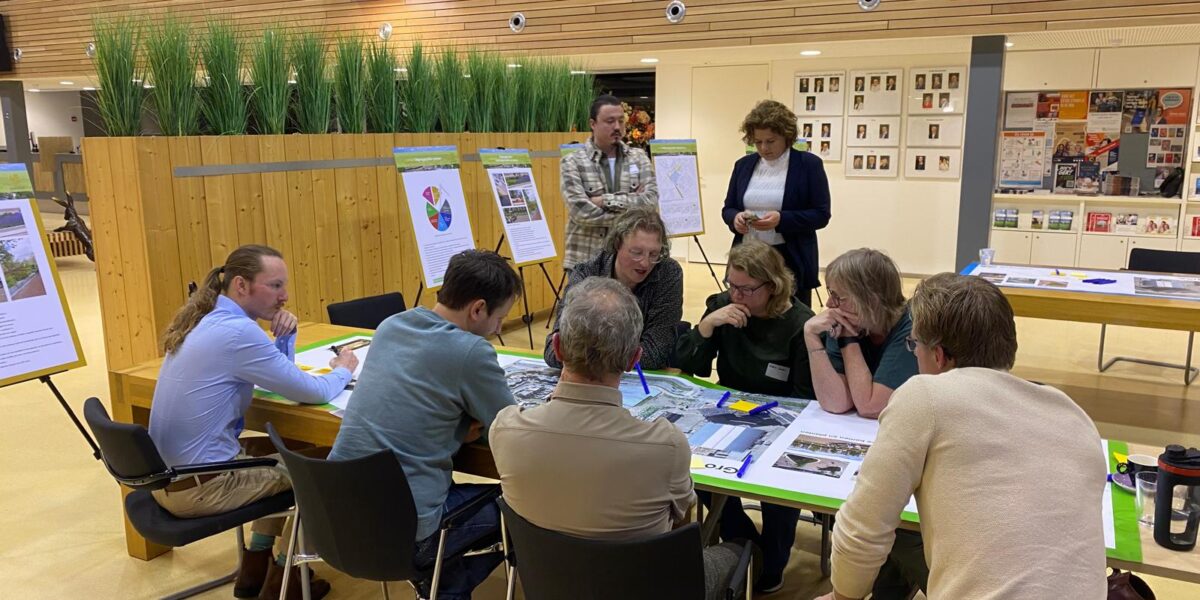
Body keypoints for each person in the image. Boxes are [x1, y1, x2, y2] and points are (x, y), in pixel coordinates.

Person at [815, 274, 1106, 600]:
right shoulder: (1072, 413)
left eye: (914, 346)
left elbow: (862, 530)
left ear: (938, 355)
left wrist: (842, 596)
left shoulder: (925, 395)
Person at [493, 278, 748, 600]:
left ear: (557, 348)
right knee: (740, 550)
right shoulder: (666, 446)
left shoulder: (505, 429)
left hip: (550, 582)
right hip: (642, 587)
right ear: (633, 359)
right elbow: (682, 520)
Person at [149, 244, 359, 600]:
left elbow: (271, 378)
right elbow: (313, 391)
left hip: (169, 479)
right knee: (329, 470)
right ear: (241, 286)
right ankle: (284, 576)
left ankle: (256, 562)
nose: (285, 296)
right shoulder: (238, 333)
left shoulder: (207, 318)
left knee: (294, 447)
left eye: (284, 286)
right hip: (203, 488)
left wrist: (285, 339)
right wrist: (343, 369)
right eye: (275, 286)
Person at [331, 249, 522, 600]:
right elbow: (512, 429)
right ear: (477, 309)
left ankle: (438, 586)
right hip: (406, 533)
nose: (498, 328)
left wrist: (451, 429)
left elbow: (410, 405)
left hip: (336, 517)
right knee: (520, 505)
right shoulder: (471, 352)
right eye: (500, 318)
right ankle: (441, 588)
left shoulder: (391, 325)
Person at [674, 239, 815, 593]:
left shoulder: (799, 323)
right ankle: (746, 543)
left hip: (782, 416)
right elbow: (691, 367)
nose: (737, 295)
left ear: (772, 286)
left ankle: (773, 560)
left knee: (781, 484)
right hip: (727, 409)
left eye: (747, 289)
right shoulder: (723, 307)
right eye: (731, 285)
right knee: (689, 465)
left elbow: (804, 398)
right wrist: (708, 326)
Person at [804, 248, 928, 599]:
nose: (829, 303)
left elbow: (871, 404)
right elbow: (836, 402)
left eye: (838, 295)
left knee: (887, 525)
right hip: (875, 445)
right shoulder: (844, 320)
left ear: (869, 299)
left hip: (915, 453)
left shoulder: (910, 325)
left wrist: (848, 342)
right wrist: (812, 339)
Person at [544, 206, 682, 370]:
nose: (645, 263)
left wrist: (589, 352)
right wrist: (620, 358)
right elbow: (555, 350)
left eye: (654, 254)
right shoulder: (587, 274)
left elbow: (655, 353)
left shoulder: (667, 273)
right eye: (636, 252)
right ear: (617, 245)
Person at [723, 100, 831, 307]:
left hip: (789, 258)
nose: (764, 148)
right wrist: (735, 218)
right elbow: (728, 207)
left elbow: (821, 214)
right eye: (758, 141)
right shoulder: (743, 165)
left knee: (789, 316)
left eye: (771, 141)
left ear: (786, 136)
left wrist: (782, 220)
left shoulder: (808, 165)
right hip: (747, 256)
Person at [559, 94, 658, 270]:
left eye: (621, 121)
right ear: (593, 124)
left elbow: (650, 203)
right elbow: (581, 212)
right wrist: (632, 210)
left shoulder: (639, 158)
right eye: (610, 121)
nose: (617, 127)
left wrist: (604, 201)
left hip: (628, 264)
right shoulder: (573, 161)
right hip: (585, 260)